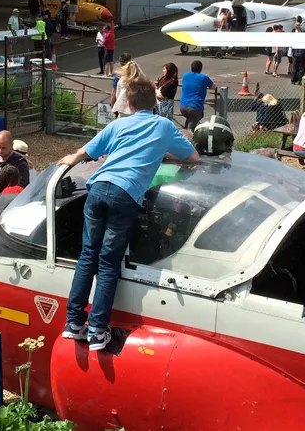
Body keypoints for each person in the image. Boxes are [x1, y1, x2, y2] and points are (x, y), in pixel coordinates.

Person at [58, 75, 199, 350]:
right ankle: (97, 330)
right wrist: (164, 153)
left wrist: (69, 160)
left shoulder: (119, 124)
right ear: (154, 104)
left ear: (130, 104)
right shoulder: (164, 126)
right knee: (109, 262)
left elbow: (85, 151)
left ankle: (73, 322)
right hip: (126, 194)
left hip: (98, 187)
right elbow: (193, 157)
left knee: (88, 255)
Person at [179, 59, 214, 130]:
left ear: (191, 67)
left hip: (183, 106)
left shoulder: (185, 75)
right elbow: (213, 87)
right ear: (200, 69)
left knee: (190, 120)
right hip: (195, 107)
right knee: (192, 128)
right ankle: (189, 138)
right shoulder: (203, 77)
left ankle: (185, 134)